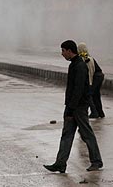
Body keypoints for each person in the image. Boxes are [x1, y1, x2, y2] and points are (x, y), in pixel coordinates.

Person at [44, 40, 103, 173]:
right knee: (67, 135)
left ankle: (96, 161)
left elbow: (78, 89)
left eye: (63, 51)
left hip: (79, 107)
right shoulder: (74, 65)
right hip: (72, 106)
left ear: (70, 51)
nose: (62, 54)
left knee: (87, 134)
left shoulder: (80, 66)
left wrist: (71, 108)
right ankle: (60, 163)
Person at [77, 42, 105, 119]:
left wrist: (89, 83)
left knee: (89, 95)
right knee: (96, 95)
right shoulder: (88, 56)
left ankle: (94, 112)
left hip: (95, 77)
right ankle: (100, 112)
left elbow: (90, 72)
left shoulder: (85, 58)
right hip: (99, 76)